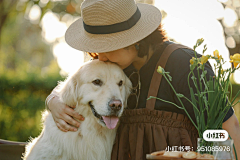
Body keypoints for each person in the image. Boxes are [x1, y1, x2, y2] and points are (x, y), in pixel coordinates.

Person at [46, 0, 240, 159]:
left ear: (134, 40)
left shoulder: (185, 65)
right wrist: (53, 101)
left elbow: (228, 127)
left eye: (106, 48)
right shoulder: (113, 65)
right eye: (95, 49)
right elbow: (75, 84)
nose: (99, 57)